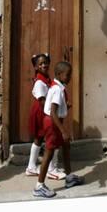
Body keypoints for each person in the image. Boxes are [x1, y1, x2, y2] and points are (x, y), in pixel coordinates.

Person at [33, 61, 84, 198]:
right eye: (68, 75)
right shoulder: (56, 89)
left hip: (56, 122)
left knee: (66, 146)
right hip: (52, 124)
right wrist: (63, 131)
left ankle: (69, 177)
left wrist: (65, 107)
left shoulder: (59, 87)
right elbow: (53, 112)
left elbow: (56, 109)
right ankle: (39, 186)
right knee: (49, 153)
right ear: (60, 75)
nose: (70, 77)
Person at [26, 53, 66, 180]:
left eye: (46, 63)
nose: (44, 65)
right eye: (41, 64)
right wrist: (54, 107)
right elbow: (42, 100)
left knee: (40, 138)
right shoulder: (39, 82)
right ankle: (39, 167)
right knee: (42, 138)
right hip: (41, 112)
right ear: (36, 67)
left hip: (44, 111)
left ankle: (33, 167)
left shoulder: (46, 79)